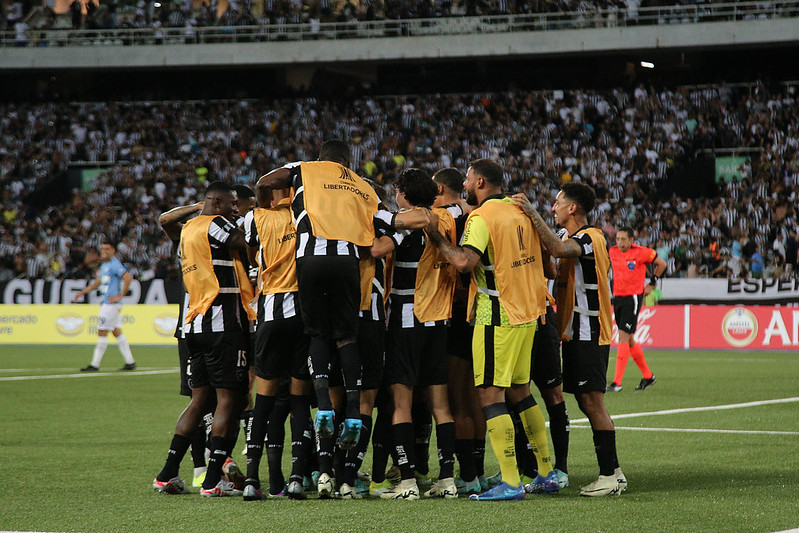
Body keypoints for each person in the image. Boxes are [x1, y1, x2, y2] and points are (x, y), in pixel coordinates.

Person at [425, 159, 556, 501]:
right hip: (528, 314)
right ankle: (545, 472)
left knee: (489, 395)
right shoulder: (520, 209)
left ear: (480, 181)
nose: (466, 183)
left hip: (497, 314)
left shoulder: (482, 218)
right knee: (521, 392)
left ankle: (511, 482)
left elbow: (464, 262)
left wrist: (435, 235)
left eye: (468, 178)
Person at [257, 140, 378, 495]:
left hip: (309, 258)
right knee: (346, 338)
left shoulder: (304, 169)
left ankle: (323, 406)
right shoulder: (360, 184)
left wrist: (271, 204)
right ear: (346, 161)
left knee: (316, 335)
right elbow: (384, 220)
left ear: (322, 158)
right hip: (348, 262)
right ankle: (353, 410)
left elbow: (265, 181)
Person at [513, 182, 627, 498]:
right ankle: (614, 472)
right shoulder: (568, 237)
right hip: (576, 333)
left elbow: (561, 251)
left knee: (593, 401)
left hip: (591, 332)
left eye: (558, 203)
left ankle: (607, 474)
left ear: (572, 207)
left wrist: (532, 215)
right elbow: (553, 260)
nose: (554, 208)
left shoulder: (591, 237)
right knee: (586, 400)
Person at [152, 181, 256, 497]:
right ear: (217, 202)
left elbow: (167, 221)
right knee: (230, 400)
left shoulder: (189, 231)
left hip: (194, 325)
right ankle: (213, 482)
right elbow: (244, 241)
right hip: (223, 325)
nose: (236, 209)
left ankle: (167, 473)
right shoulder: (217, 224)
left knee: (199, 400)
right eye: (232, 204)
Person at [370, 168, 462, 500]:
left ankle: (407, 481)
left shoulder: (407, 224)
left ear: (405, 194)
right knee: (441, 405)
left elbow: (378, 249)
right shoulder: (446, 220)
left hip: (407, 319)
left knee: (401, 403)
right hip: (438, 321)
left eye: (397, 191)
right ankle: (447, 479)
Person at [241, 183, 313, 501]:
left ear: (268, 196)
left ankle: (251, 480)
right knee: (298, 401)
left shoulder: (254, 218)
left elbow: (248, 253)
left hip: (269, 312)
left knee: (264, 402)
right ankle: (297, 477)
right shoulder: (308, 216)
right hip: (302, 313)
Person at [157, 200, 210, 489]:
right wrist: (200, 205)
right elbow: (166, 219)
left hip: (217, 327)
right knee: (200, 401)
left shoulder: (224, 233)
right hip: (192, 329)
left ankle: (215, 466)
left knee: (217, 401)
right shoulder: (189, 234)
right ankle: (202, 468)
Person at [606, 226, 666, 392]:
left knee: (623, 337)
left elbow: (661, 264)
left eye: (623, 239)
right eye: (618, 239)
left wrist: (652, 283)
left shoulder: (641, 252)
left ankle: (617, 382)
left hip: (632, 298)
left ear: (631, 240)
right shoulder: (612, 251)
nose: (619, 242)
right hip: (617, 297)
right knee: (629, 339)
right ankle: (648, 376)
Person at [74, 241, 136, 372]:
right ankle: (130, 362)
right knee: (116, 331)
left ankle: (94, 364)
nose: (104, 251)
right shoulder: (105, 265)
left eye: (107, 249)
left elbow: (128, 278)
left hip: (111, 304)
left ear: (113, 250)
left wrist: (120, 296)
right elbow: (99, 282)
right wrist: (83, 292)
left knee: (102, 331)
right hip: (109, 304)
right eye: (102, 249)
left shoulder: (114, 264)